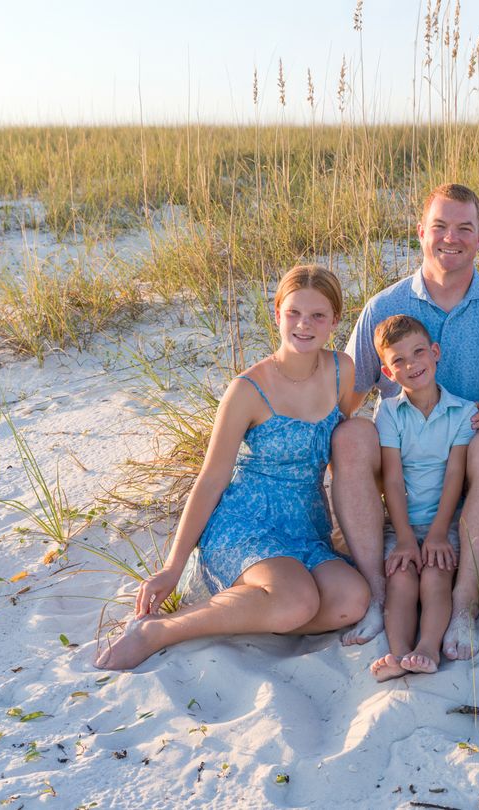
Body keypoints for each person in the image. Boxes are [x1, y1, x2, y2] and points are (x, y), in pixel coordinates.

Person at [95, 266, 369, 671]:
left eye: (317, 315)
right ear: (277, 313)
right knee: (297, 600)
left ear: (335, 321)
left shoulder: (342, 371)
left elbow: (341, 452)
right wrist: (172, 567)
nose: (304, 325)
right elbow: (211, 479)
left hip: (305, 524)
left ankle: (256, 611)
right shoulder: (247, 390)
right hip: (245, 523)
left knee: (352, 601)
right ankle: (160, 631)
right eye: (294, 312)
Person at [336, 183, 479, 660]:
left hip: (468, 467)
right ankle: (377, 594)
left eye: (465, 228)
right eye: (440, 227)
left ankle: (463, 606)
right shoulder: (383, 308)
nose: (452, 238)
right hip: (397, 465)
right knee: (351, 435)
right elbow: (347, 398)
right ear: (421, 232)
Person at [368, 316, 475, 681]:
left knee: (435, 575)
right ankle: (398, 653)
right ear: (387, 371)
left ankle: (428, 647)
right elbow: (392, 481)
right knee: (401, 579)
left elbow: (455, 477)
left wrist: (438, 533)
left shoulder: (463, 411)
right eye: (399, 360)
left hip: (444, 521)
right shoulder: (388, 412)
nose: (412, 365)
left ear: (435, 352)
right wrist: (403, 538)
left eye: (418, 353)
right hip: (401, 522)